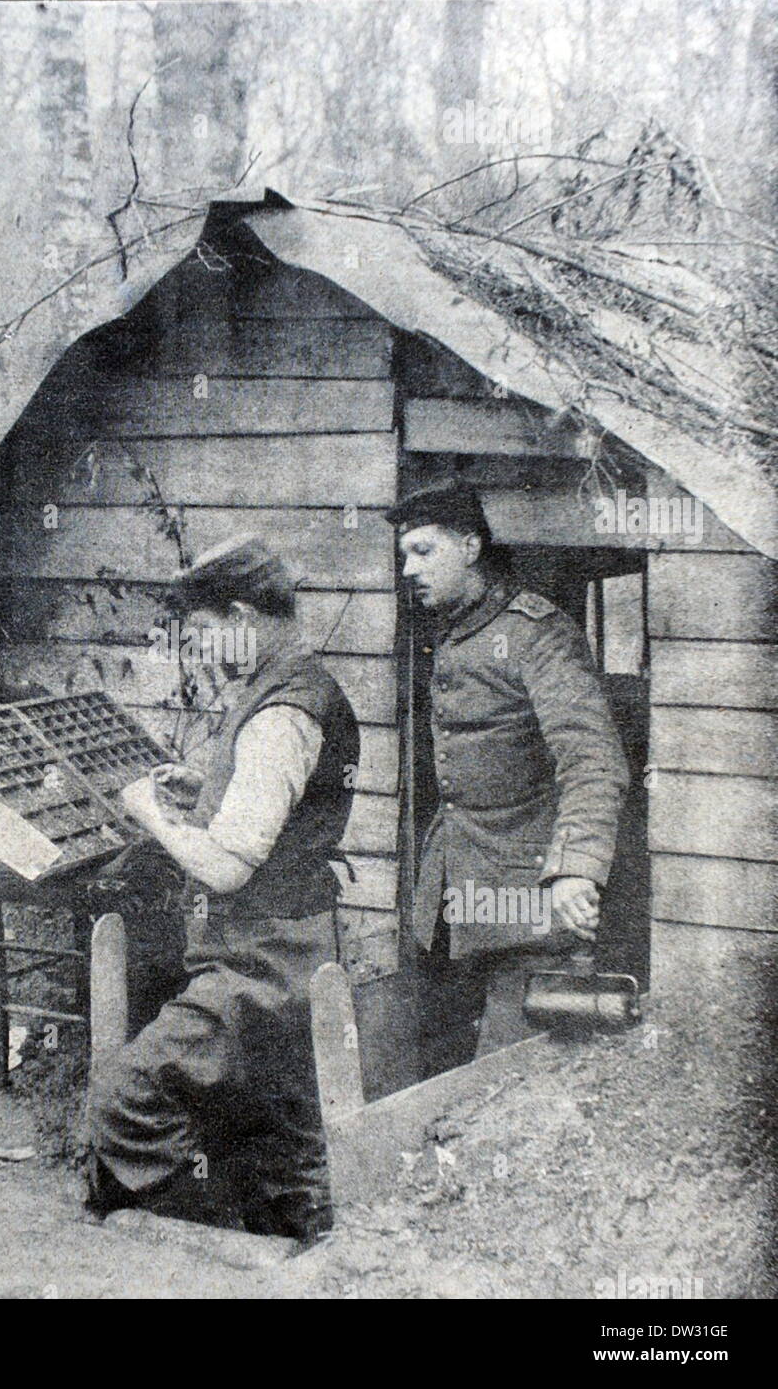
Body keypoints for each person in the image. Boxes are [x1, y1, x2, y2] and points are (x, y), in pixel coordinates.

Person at [85, 534, 359, 1242]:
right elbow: (268, 803)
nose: (199, 651)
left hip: (264, 962)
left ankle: (202, 1238)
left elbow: (227, 868)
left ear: (240, 613)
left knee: (126, 1096)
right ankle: (287, 1231)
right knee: (280, 1133)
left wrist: (148, 813)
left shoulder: (280, 712)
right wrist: (205, 783)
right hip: (284, 945)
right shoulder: (287, 685)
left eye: (203, 634)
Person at [385, 480, 630, 1078]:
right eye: (403, 555)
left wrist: (576, 869)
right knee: (435, 1081)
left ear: (470, 547)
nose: (409, 569)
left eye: (423, 551)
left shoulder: (536, 632)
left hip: (527, 908)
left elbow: (593, 758)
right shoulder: (450, 629)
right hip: (450, 908)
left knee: (509, 1087)